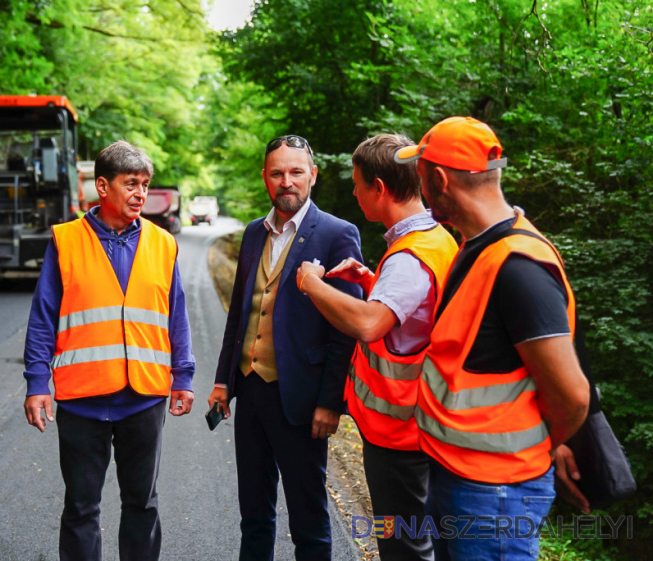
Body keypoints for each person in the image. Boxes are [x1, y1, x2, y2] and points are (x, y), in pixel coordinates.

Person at [393, 116, 590, 561]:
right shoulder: (476, 246)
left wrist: (543, 444)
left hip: (495, 493)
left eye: (422, 179)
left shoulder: (518, 267)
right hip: (459, 476)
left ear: (439, 179)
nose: (421, 192)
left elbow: (572, 396)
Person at [23, 140, 195, 561]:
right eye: (130, 183)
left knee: (143, 503)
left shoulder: (162, 242)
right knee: (81, 508)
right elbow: (43, 315)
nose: (141, 193)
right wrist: (36, 383)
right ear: (102, 186)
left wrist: (183, 376)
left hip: (143, 399)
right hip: (82, 401)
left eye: (145, 184)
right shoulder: (66, 241)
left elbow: (176, 314)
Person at [295, 134, 458, 561]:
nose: (353, 192)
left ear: (380, 189)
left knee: (403, 546)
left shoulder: (409, 257)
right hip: (421, 424)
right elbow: (418, 316)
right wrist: (372, 283)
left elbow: (369, 325)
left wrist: (311, 284)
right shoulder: (435, 239)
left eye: (357, 184)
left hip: (400, 433)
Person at [209, 135, 363, 561]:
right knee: (253, 515)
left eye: (296, 172)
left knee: (309, 522)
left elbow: (345, 329)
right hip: (250, 391)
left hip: (301, 398)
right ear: (265, 178)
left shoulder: (337, 234)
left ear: (312, 176)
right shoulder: (255, 233)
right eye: (277, 173)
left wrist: (331, 402)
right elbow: (239, 316)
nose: (286, 181)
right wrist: (223, 381)